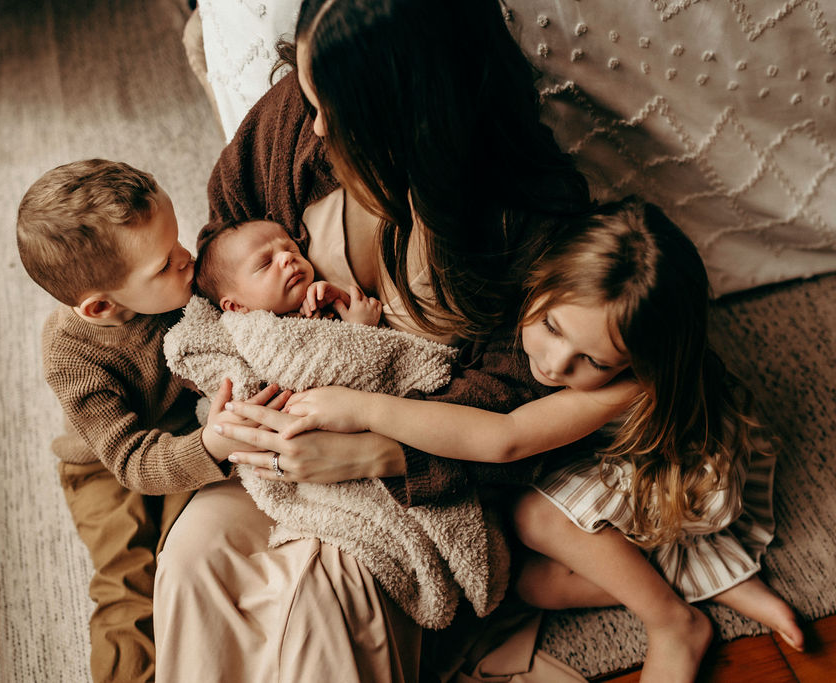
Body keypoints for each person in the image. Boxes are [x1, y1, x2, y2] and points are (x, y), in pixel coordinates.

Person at [152, 0, 595, 681]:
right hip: (273, 457)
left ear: (411, 119)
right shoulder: (295, 123)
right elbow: (223, 241)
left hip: (409, 479)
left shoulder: (521, 222)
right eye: (308, 96)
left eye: (337, 111)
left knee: (314, 608)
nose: (316, 123)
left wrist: (378, 451)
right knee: (191, 562)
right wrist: (240, 400)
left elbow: (516, 404)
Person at [274, 198, 805, 682]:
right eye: (551, 327)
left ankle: (672, 620)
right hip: (596, 465)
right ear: (541, 278)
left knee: (532, 514)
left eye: (592, 361)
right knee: (526, 586)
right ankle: (697, 577)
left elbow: (506, 439)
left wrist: (366, 407)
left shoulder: (632, 384)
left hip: (666, 478)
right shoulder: (526, 283)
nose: (554, 364)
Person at [16, 158, 288, 683]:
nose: (188, 260)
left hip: (185, 430)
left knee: (184, 560)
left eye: (178, 242)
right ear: (99, 307)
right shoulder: (70, 355)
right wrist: (212, 445)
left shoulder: (180, 283)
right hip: (107, 465)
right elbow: (133, 463)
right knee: (127, 584)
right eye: (165, 264)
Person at [194, 217, 382, 323]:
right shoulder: (264, 337)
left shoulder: (319, 296)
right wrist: (361, 327)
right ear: (236, 307)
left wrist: (341, 299)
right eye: (265, 263)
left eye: (290, 248)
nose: (286, 257)